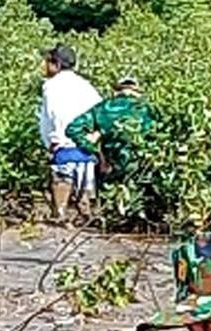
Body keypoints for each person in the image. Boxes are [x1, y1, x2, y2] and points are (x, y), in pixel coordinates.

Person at [64, 75, 161, 228]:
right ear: (137, 91)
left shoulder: (103, 108)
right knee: (142, 213)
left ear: (116, 91)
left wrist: (95, 152)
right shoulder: (148, 109)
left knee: (111, 217)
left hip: (110, 168)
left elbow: (73, 129)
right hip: (142, 168)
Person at [38, 45, 104, 225]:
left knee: (60, 207)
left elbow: (48, 117)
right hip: (86, 148)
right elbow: (99, 113)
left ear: (56, 64)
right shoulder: (86, 86)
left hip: (62, 146)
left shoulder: (50, 86)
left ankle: (61, 217)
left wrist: (49, 142)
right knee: (85, 203)